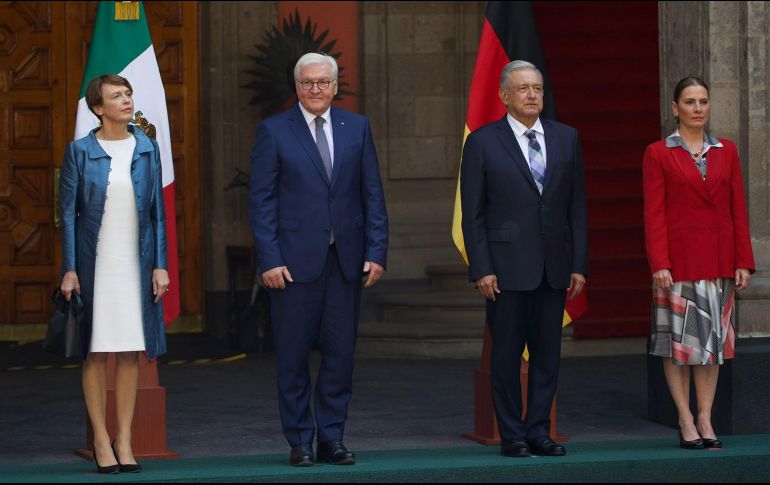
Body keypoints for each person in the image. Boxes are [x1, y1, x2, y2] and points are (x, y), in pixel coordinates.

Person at [249, 52, 388, 467]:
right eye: (307, 82)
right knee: (292, 358)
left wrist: (376, 251)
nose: (315, 89)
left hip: (346, 261)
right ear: (296, 87)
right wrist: (269, 259)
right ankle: (300, 441)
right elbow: (261, 201)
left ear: (335, 86)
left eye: (323, 82)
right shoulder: (274, 131)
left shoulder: (357, 127)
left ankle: (332, 438)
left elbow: (372, 193)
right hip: (291, 265)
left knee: (340, 357)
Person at [460, 60, 588, 458]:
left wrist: (578, 263)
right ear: (504, 96)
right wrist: (482, 268)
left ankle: (538, 432)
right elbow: (473, 213)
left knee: (547, 356)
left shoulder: (566, 138)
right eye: (523, 89)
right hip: (505, 269)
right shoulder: (482, 142)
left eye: (537, 88)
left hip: (554, 267)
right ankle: (512, 435)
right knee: (505, 357)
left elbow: (577, 207)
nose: (532, 95)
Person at [59, 74, 170, 474]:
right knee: (95, 350)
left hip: (136, 264)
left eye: (128, 94)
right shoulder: (80, 151)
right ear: (97, 108)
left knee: (129, 351)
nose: (126, 100)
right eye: (116, 96)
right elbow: (67, 214)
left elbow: (157, 212)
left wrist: (160, 264)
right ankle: (101, 440)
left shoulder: (147, 148)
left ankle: (124, 439)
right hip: (95, 265)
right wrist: (70, 269)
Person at [643, 76, 754, 450]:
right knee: (679, 345)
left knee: (712, 347)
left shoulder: (727, 150)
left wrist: (743, 260)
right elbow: (653, 213)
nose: (697, 108)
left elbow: (738, 208)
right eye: (689, 102)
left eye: (703, 101)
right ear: (675, 108)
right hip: (677, 264)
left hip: (718, 261)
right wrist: (660, 262)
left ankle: (705, 417)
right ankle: (685, 418)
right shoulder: (658, 152)